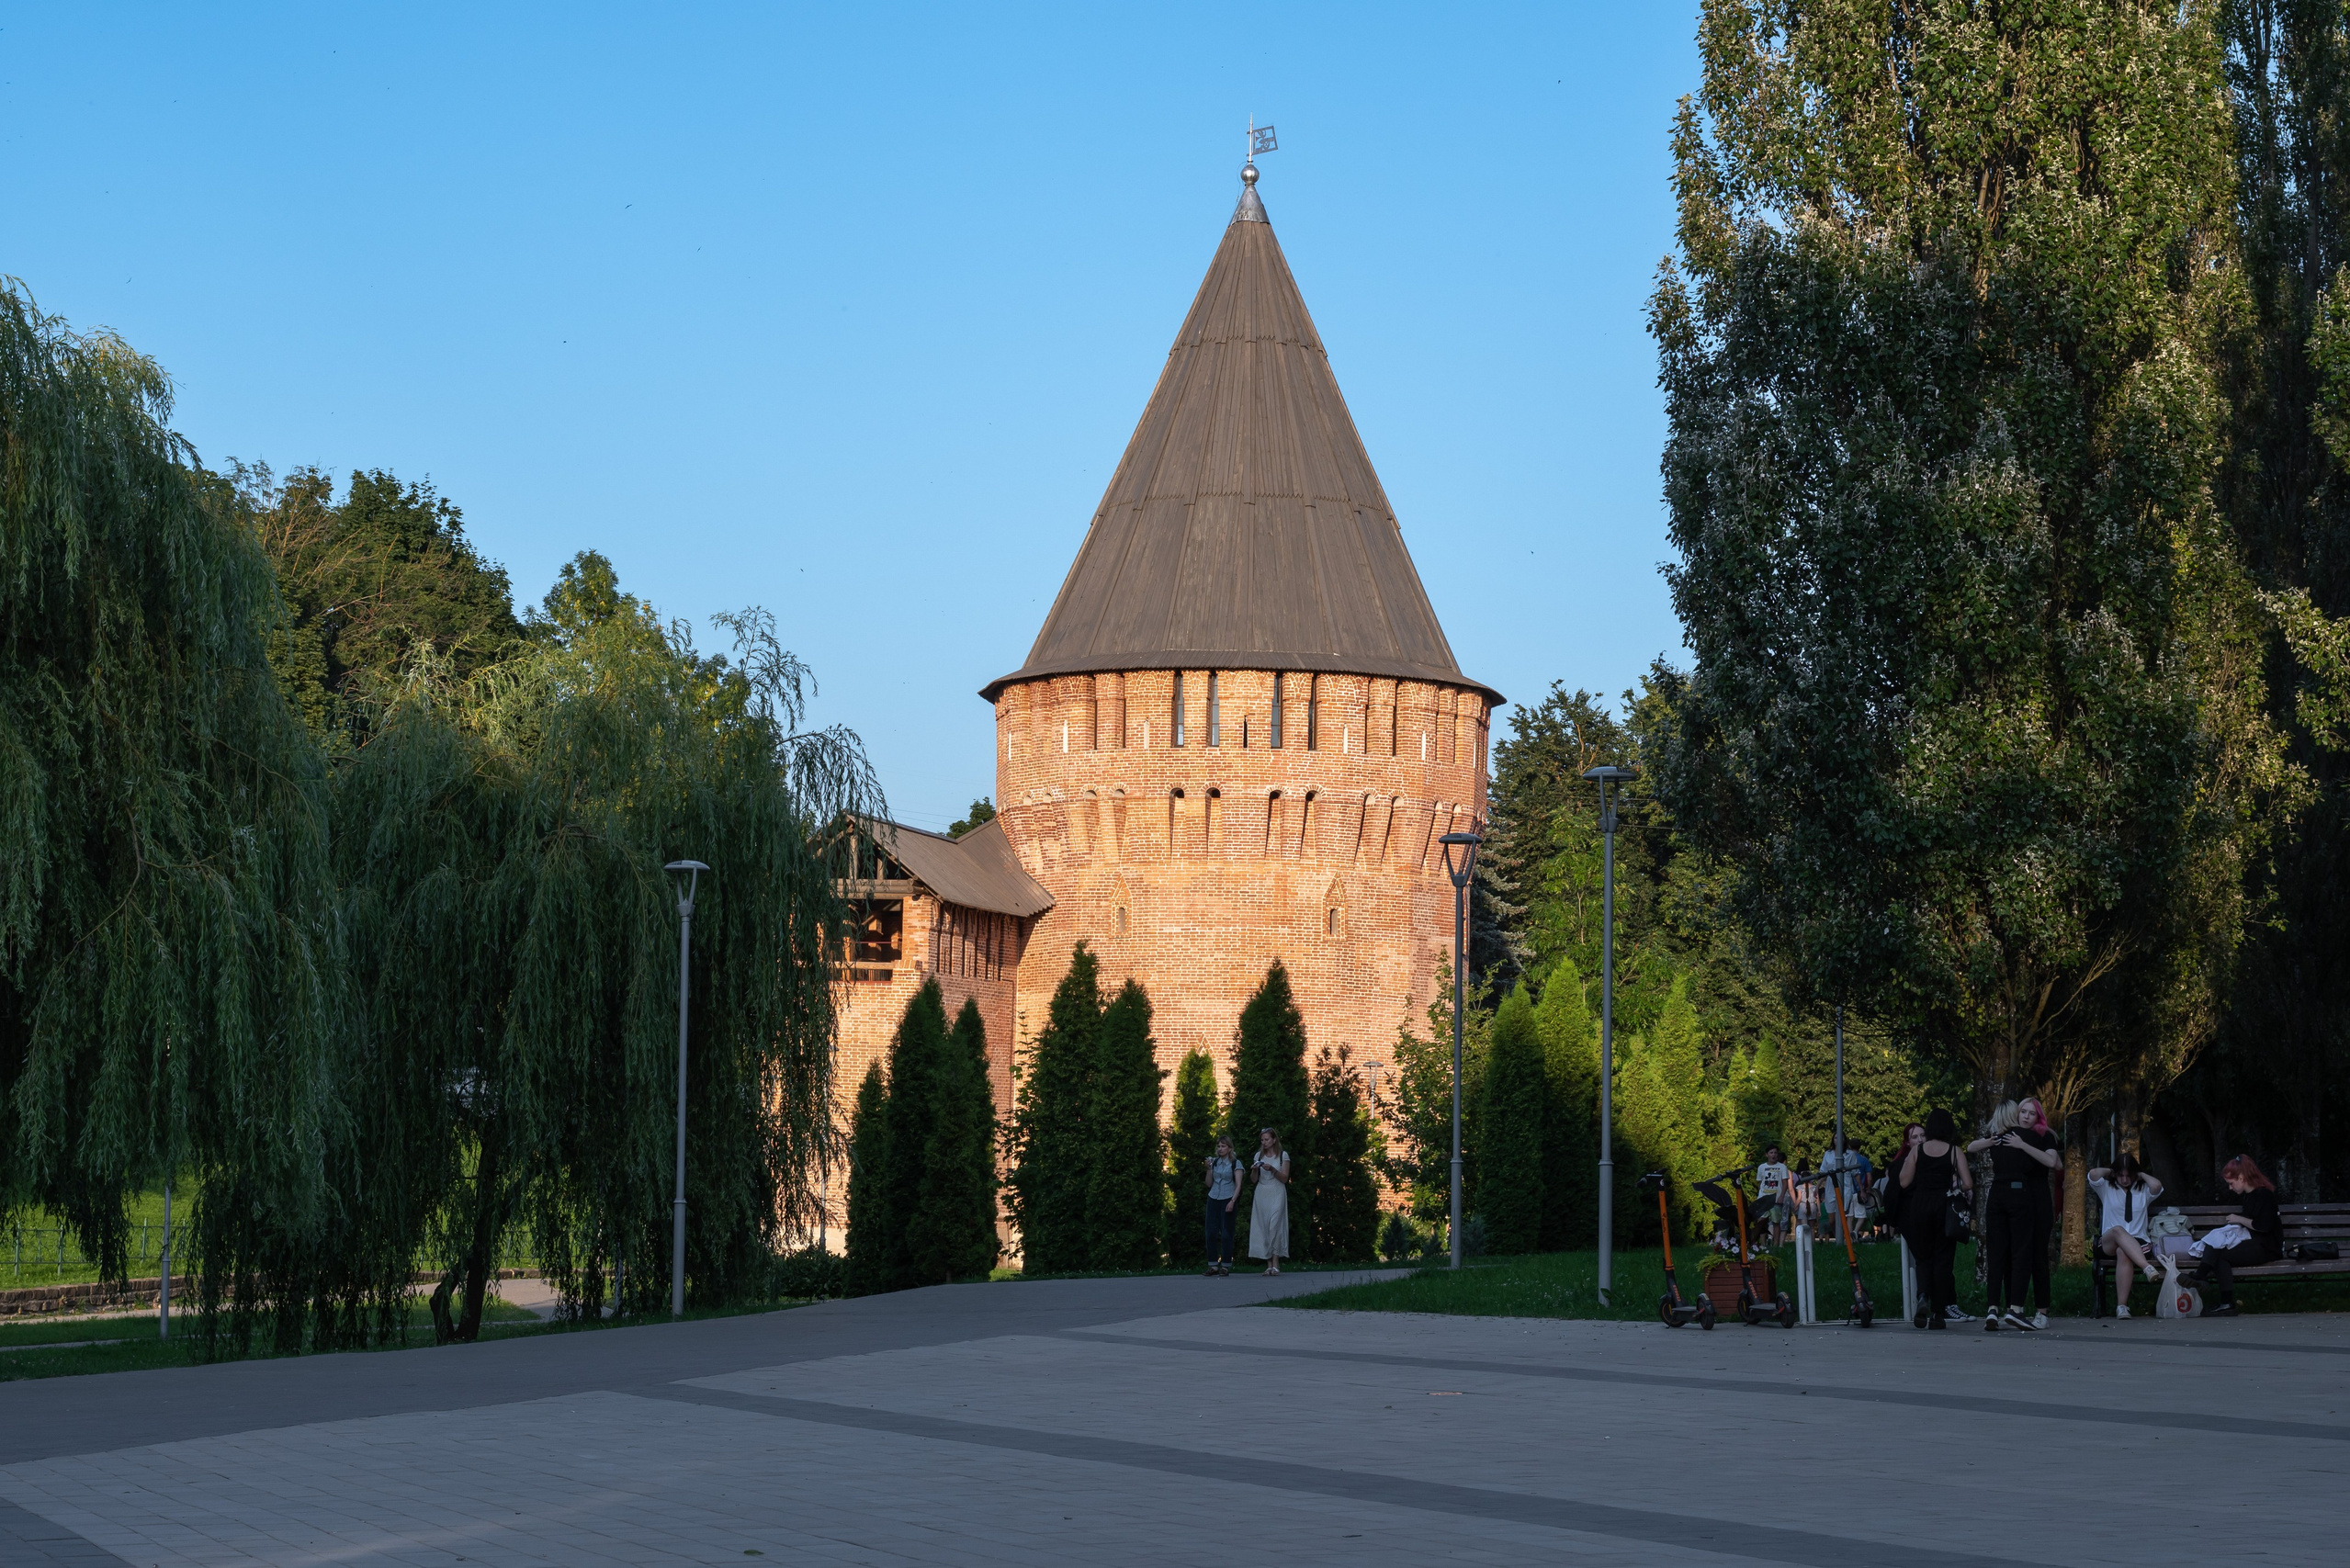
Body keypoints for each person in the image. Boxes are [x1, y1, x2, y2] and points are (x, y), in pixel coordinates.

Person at [1968, 1099, 2061, 1331]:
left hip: (2034, 1198)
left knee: (2035, 1255)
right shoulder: (2007, 1136)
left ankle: (2038, 1310)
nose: (2026, 1116)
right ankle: (2013, 1308)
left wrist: (2021, 1145)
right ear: (2015, 1114)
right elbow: (1972, 1146)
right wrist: (1997, 1140)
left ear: (2038, 1116)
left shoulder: (2042, 1136)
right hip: (2019, 1196)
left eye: (2032, 1113)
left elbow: (2054, 1162)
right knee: (2013, 1253)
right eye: (2023, 1112)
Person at [1898, 1109, 1972, 1328]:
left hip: (1919, 1206)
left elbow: (1903, 1182)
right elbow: (1968, 1183)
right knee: (1943, 1259)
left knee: (1923, 1257)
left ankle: (1922, 1296)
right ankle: (1938, 1314)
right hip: (1944, 1207)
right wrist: (1953, 1180)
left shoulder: (1917, 1151)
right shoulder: (1954, 1151)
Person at [2194, 1155, 2282, 1317]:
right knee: (2218, 1247)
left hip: (2267, 1247)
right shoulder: (2250, 1195)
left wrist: (2238, 1219)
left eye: (2231, 1183)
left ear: (2241, 1178)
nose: (2230, 1188)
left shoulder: (2264, 1195)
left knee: (2221, 1255)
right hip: (2254, 1243)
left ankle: (2202, 1278)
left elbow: (2264, 1226)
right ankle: (2208, 1285)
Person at [2086, 1151, 2164, 1316]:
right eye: (2121, 1175)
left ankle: (2122, 1307)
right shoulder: (2106, 1188)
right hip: (2109, 1240)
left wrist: (2141, 1174)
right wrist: (2111, 1171)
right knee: (2117, 1230)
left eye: (2129, 1175)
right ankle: (2147, 1267)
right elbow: (2093, 1174)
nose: (2124, 1180)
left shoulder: (2143, 1190)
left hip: (2138, 1241)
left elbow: (2157, 1186)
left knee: (2123, 1251)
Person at [1248, 1127, 1292, 1274]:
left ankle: (1276, 1263)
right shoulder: (1258, 1156)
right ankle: (1268, 1265)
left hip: (1277, 1191)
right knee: (1263, 1227)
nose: (1264, 1142)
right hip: (1261, 1193)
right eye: (1262, 1140)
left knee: (1275, 1226)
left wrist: (1273, 1170)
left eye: (1267, 1139)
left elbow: (1285, 1178)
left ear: (1274, 1140)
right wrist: (1255, 1169)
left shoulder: (1282, 1156)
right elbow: (1254, 1180)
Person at [1203, 1134, 1243, 1277]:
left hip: (1228, 1197)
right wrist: (1208, 1170)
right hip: (1213, 1197)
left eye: (1223, 1146)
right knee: (1211, 1232)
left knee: (1226, 1233)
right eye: (1219, 1146)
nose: (1220, 1149)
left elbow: (1238, 1184)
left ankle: (1225, 1265)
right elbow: (1209, 1184)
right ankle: (1213, 1265)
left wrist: (1232, 1201)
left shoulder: (1235, 1163)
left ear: (1229, 1148)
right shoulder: (1214, 1163)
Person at [1754, 1145, 1791, 1246]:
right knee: (1761, 1221)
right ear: (1767, 1155)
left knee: (1776, 1222)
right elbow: (1759, 1183)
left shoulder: (1782, 1167)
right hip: (1764, 1198)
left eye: (1775, 1153)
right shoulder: (1762, 1167)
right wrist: (1760, 1196)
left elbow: (1785, 1183)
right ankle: (1762, 1244)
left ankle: (1776, 1244)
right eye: (1771, 1153)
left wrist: (1782, 1196)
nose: (1773, 1155)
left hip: (1776, 1199)